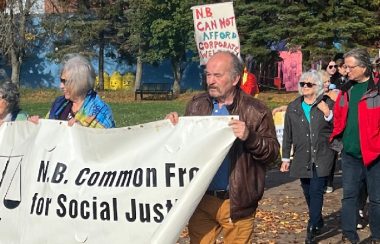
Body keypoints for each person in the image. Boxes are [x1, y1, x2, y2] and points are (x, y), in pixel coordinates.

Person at [165, 51, 279, 244]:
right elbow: (182, 147)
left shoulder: (256, 110)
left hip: (236, 201)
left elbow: (272, 154)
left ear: (235, 79)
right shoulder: (196, 105)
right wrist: (172, 128)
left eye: (218, 75)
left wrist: (249, 137)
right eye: (208, 74)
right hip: (200, 198)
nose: (211, 80)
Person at [329, 48, 380, 244]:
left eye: (350, 67)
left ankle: (376, 236)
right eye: (345, 67)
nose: (346, 71)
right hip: (350, 154)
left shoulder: (377, 89)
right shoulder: (346, 90)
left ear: (364, 67)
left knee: (376, 199)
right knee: (348, 197)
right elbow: (340, 117)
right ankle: (348, 235)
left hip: (375, 155)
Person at [280, 70, 335, 244]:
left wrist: (328, 114)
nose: (305, 86)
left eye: (309, 84)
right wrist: (285, 159)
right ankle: (317, 219)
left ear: (318, 87)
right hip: (301, 157)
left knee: (316, 190)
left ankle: (311, 228)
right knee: (307, 191)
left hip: (322, 155)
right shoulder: (293, 107)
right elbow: (287, 134)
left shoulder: (327, 103)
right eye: (302, 83)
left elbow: (338, 126)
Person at [30, 54, 115, 128]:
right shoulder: (59, 103)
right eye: (61, 81)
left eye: (65, 82)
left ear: (80, 83)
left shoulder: (100, 111)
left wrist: (81, 131)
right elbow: (48, 128)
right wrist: (38, 124)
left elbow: (105, 141)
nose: (61, 86)